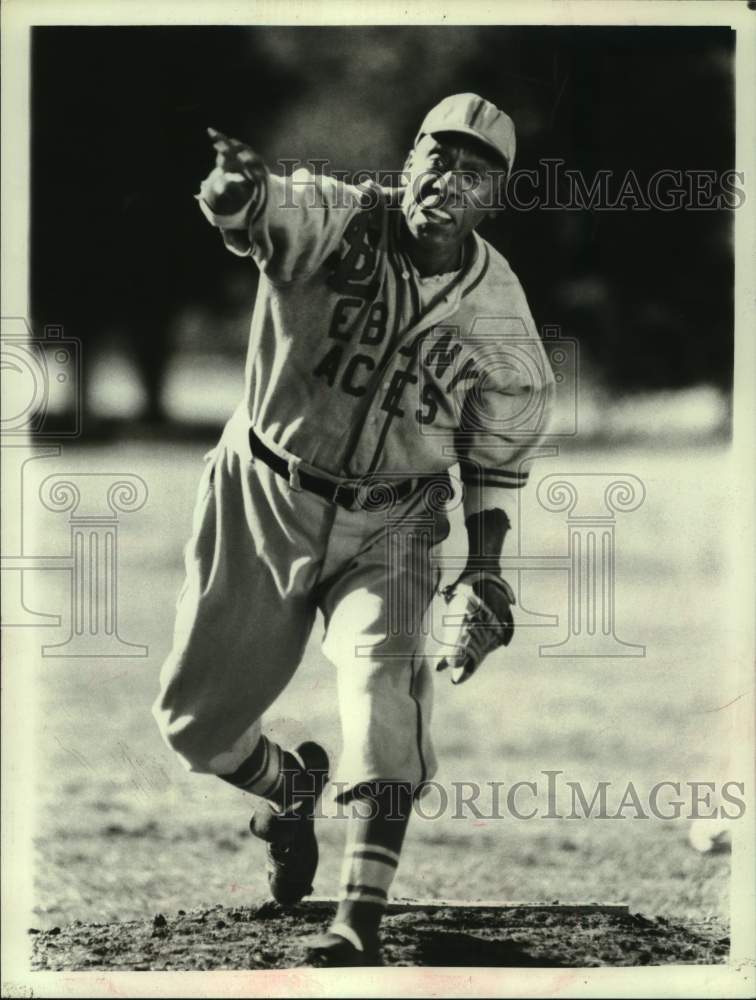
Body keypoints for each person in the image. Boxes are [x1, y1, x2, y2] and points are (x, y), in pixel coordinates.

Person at [153, 93, 554, 966]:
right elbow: (263, 211)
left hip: (396, 521)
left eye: (476, 173)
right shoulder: (337, 221)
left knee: (380, 691)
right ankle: (289, 789)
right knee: (194, 726)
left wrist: (485, 569)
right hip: (263, 493)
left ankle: (357, 922)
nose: (450, 181)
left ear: (496, 198)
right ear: (410, 162)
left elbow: (495, 452)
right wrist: (234, 195)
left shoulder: (501, 313)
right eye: (438, 158)